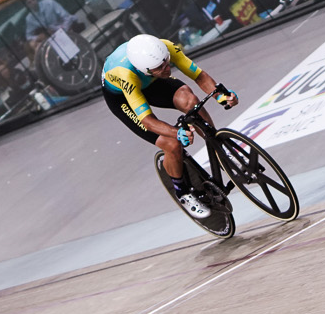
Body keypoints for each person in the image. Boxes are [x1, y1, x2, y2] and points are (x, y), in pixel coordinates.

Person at [100, 33, 236, 216]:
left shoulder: (164, 47)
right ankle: (183, 193)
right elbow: (148, 121)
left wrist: (221, 95)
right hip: (122, 97)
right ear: (146, 69)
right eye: (160, 67)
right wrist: (177, 132)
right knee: (171, 144)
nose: (167, 68)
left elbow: (199, 75)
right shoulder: (127, 75)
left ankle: (217, 146)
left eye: (167, 62)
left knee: (190, 101)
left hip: (151, 81)